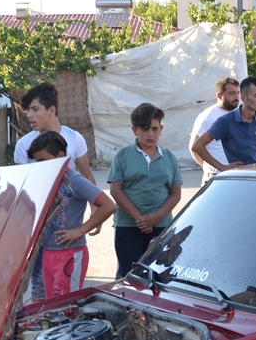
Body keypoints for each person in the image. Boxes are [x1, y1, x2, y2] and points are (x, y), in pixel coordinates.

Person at [13, 82, 98, 300]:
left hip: (68, 229)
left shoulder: (75, 138)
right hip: (41, 230)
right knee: (40, 291)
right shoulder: (24, 145)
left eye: (34, 109)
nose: (30, 116)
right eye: (27, 111)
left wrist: (94, 217)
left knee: (66, 295)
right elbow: (24, 191)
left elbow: (87, 176)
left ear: (52, 110)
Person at [27, 131, 116, 298]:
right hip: (48, 252)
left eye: (43, 160)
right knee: (50, 307)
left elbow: (108, 205)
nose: (39, 165)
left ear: (61, 156)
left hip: (70, 255)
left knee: (67, 309)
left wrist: (81, 230)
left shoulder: (74, 179)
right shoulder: (46, 179)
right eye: (36, 161)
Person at [110, 103, 182, 277]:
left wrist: (156, 217)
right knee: (130, 274)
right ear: (134, 130)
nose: (150, 134)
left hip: (162, 226)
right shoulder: (123, 155)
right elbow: (115, 190)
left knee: (160, 273)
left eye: (154, 129)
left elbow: (175, 193)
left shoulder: (169, 157)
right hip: (128, 225)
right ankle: (127, 304)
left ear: (161, 129)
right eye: (144, 129)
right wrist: (139, 218)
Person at [192, 76, 256, 170]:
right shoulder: (225, 121)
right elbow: (197, 146)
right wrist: (221, 167)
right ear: (244, 98)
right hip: (235, 180)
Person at [190, 77, 240, 180]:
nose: (236, 97)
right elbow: (194, 147)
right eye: (231, 93)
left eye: (237, 92)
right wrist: (216, 167)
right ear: (219, 95)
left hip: (238, 175)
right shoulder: (208, 116)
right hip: (216, 176)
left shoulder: (240, 114)